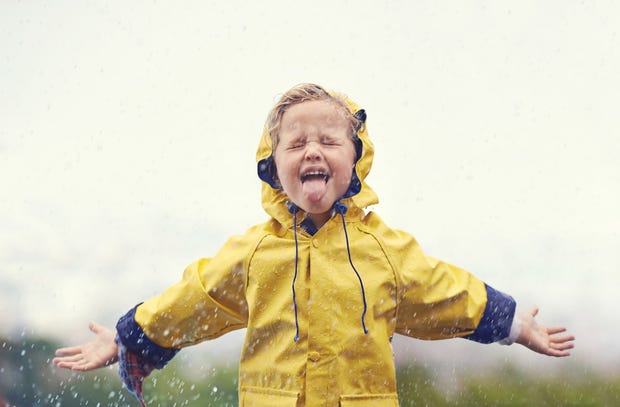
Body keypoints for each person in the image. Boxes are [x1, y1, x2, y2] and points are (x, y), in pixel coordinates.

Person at [54, 83, 574, 406]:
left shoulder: (385, 250)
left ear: (355, 159)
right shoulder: (255, 254)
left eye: (329, 140)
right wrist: (127, 338)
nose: (312, 150)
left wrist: (514, 324)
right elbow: (193, 298)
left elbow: (445, 290)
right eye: (296, 142)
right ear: (273, 166)